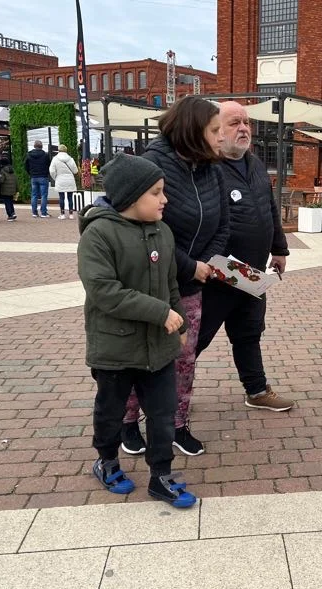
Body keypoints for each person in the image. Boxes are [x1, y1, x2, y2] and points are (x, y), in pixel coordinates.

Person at [77, 153, 196, 508]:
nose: (165, 200)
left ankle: (160, 477)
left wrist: (180, 319)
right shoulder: (98, 234)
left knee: (163, 414)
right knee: (110, 412)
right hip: (115, 349)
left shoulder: (164, 231)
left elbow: (171, 283)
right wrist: (161, 313)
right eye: (156, 193)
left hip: (158, 348)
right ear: (131, 197)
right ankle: (107, 461)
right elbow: (104, 292)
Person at [121, 97, 230, 457]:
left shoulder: (211, 169)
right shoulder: (152, 165)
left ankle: (177, 424)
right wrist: (190, 265)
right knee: (144, 357)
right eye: (215, 130)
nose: (221, 137)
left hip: (192, 283)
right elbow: (149, 228)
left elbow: (222, 223)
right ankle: (127, 422)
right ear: (192, 130)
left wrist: (206, 264)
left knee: (184, 357)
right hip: (152, 283)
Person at [195, 100, 295, 411]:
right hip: (217, 274)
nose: (243, 128)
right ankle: (164, 396)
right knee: (195, 340)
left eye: (246, 122)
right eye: (234, 122)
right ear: (216, 132)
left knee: (250, 331)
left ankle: (256, 390)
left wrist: (279, 247)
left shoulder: (254, 164)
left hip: (251, 274)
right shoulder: (204, 168)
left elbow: (269, 209)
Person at [50, 145, 79, 219]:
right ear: (66, 150)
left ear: (58, 150)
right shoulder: (70, 159)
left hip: (60, 179)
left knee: (61, 197)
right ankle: (71, 214)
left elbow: (52, 171)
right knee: (70, 198)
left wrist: (55, 177)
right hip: (70, 179)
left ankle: (62, 214)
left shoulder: (55, 159)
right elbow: (75, 171)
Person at [25, 140, 51, 218]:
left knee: (34, 195)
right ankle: (43, 212)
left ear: (34, 146)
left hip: (33, 177)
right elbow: (49, 165)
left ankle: (34, 213)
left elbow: (26, 166)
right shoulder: (45, 155)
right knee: (43, 195)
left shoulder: (29, 155)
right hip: (43, 176)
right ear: (41, 146)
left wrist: (30, 173)